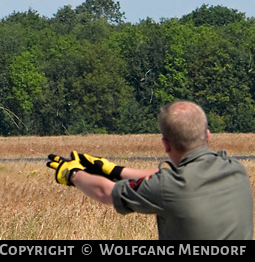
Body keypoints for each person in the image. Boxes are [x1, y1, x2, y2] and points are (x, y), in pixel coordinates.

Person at [47, 100, 254, 240]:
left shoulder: (168, 186)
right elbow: (172, 178)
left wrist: (73, 173)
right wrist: (114, 170)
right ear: (207, 136)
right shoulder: (235, 168)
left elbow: (104, 192)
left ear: (165, 144)